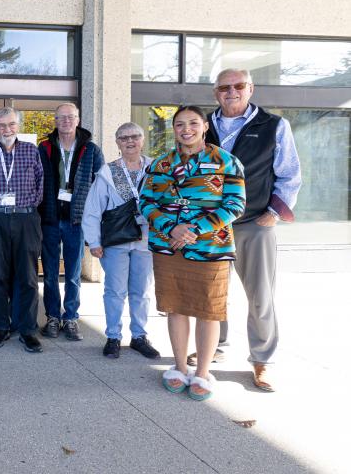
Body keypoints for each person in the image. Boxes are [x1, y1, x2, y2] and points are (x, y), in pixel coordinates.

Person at [140, 105, 246, 401]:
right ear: (173, 129)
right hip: (169, 246)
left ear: (204, 127)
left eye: (193, 123)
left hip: (210, 248)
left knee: (208, 311)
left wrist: (194, 230)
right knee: (175, 307)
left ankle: (201, 372)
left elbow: (235, 205)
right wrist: (171, 227)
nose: (186, 129)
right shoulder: (160, 164)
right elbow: (146, 202)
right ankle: (178, 366)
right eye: (179, 124)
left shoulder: (226, 161)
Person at [205, 68, 301, 392]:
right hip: (212, 226)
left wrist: (273, 213)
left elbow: (289, 174)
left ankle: (263, 360)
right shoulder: (203, 125)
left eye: (238, 86)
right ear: (216, 92)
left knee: (260, 297)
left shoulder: (274, 125)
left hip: (254, 223)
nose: (231, 92)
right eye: (224, 87)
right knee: (210, 293)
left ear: (250, 88)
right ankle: (213, 347)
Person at [81, 123, 159, 359]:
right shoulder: (108, 171)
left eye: (135, 136)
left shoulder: (155, 169)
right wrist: (94, 241)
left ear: (142, 139)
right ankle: (113, 336)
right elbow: (93, 209)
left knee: (142, 291)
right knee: (114, 291)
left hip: (146, 239)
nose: (130, 141)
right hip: (116, 240)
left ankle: (139, 336)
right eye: (124, 138)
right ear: (117, 143)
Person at [0, 107, 44, 353]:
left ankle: (27, 329)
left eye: (11, 124)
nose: (7, 129)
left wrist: (25, 207)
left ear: (18, 126)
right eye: (2, 125)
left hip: (26, 218)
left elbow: (40, 184)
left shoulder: (31, 151)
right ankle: (1, 326)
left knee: (27, 277)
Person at [37, 103, 104, 342]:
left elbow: (101, 185)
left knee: (74, 272)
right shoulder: (44, 147)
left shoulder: (91, 149)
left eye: (70, 117)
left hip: (77, 219)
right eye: (61, 117)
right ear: (55, 120)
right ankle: (53, 317)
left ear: (78, 120)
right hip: (50, 217)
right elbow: (37, 180)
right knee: (51, 272)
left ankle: (71, 317)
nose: (66, 121)